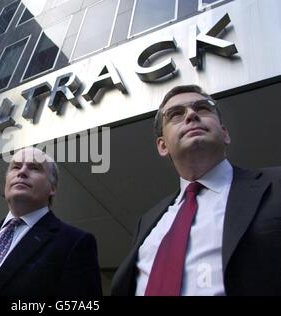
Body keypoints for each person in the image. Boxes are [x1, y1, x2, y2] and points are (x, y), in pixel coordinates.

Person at [112, 85, 281, 296]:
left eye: (202, 108)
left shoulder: (276, 185)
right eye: (175, 114)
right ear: (162, 146)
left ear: (225, 133)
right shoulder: (147, 221)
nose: (191, 115)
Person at [0, 147, 102, 296]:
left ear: (52, 188)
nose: (22, 172)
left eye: (34, 168)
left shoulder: (74, 243)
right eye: (16, 167)